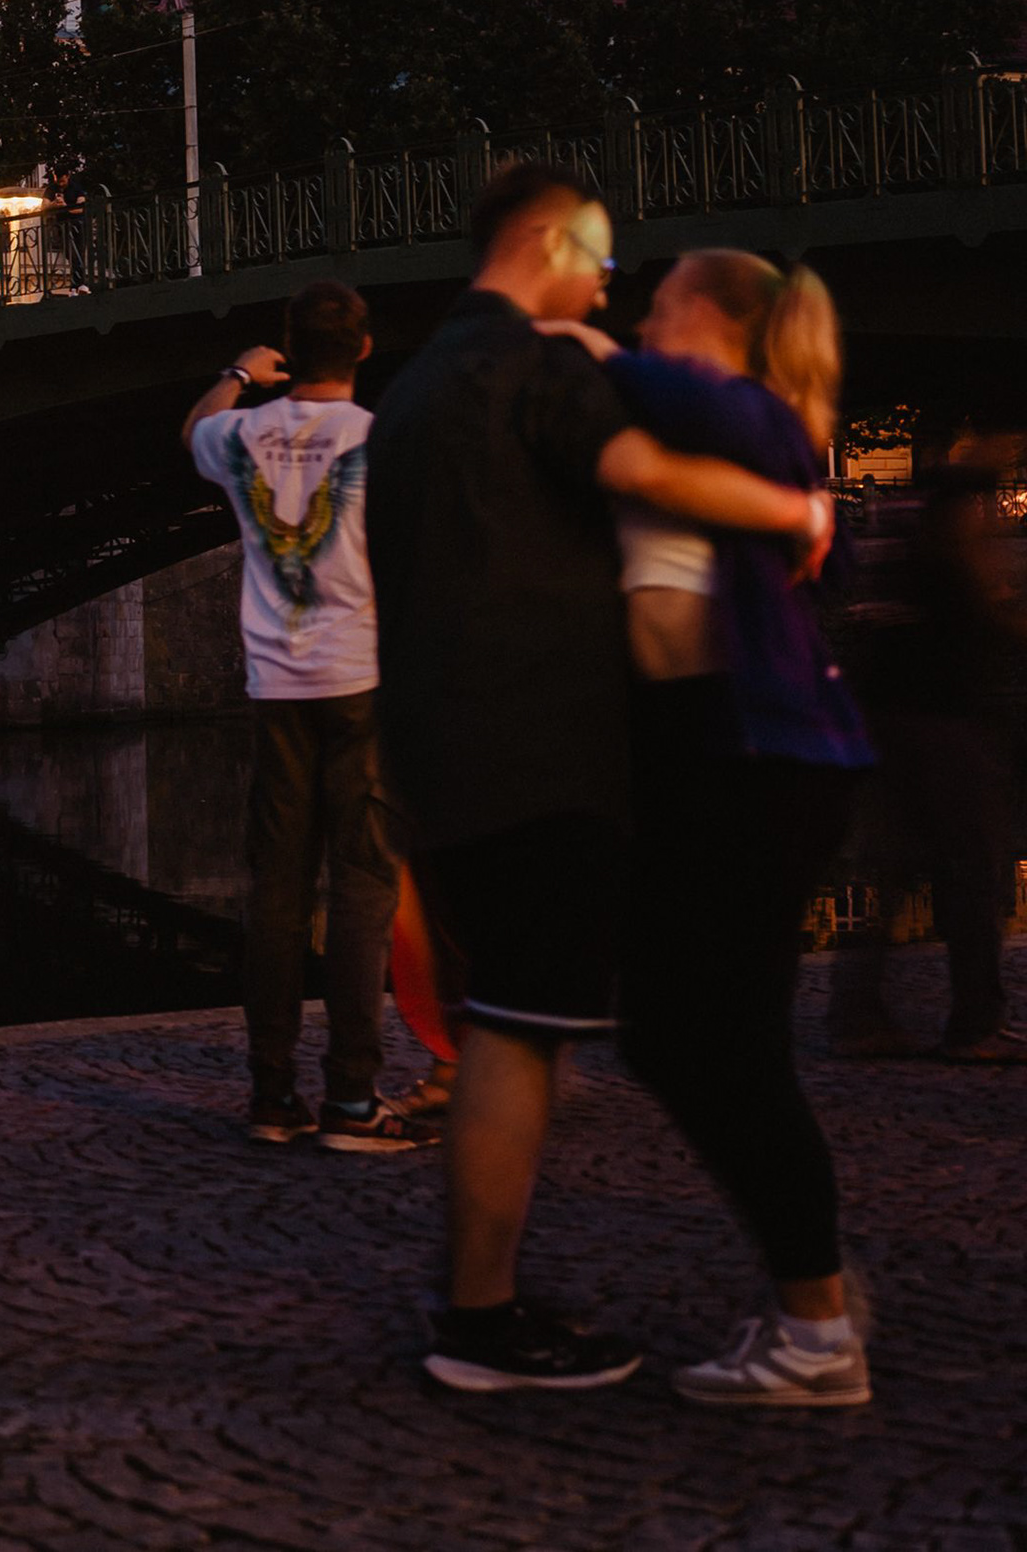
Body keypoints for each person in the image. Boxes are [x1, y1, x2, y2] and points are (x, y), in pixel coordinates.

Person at [367, 161, 838, 1396]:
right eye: (603, 261)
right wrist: (795, 513)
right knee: (528, 1031)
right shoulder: (536, 367)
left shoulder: (410, 386)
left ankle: (491, 1306)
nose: (611, 289)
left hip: (440, 747)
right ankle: (484, 1321)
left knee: (538, 1020)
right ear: (550, 241)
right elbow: (641, 470)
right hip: (543, 752)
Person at [552, 251, 875, 1408]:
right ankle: (812, 1290)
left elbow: (658, 394)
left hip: (756, 754)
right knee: (681, 1037)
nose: (642, 320)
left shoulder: (752, 411)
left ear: (715, 320)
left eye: (661, 304)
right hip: (714, 753)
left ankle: (817, 1325)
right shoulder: (719, 429)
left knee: (718, 1046)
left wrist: (581, 341)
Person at [181, 280, 432, 1154]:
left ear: (287, 351)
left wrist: (237, 374)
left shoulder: (241, 434)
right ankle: (353, 1099)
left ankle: (272, 1094)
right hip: (359, 683)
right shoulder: (380, 440)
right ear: (363, 348)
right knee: (362, 890)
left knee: (277, 895)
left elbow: (192, 429)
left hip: (274, 691)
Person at [831, 427, 1026, 1060]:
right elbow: (980, 603)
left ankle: (856, 1017)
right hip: (941, 715)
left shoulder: (907, 509)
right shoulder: (956, 514)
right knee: (971, 869)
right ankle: (976, 1023)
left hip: (890, 712)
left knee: (894, 870)